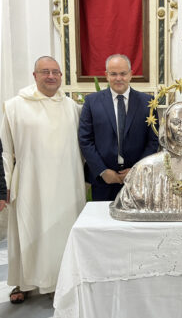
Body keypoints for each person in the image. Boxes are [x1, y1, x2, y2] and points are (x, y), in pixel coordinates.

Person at [0, 56, 86, 303]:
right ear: (34, 75)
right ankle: (23, 282)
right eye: (45, 72)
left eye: (56, 72)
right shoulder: (15, 106)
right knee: (28, 231)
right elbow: (5, 149)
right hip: (31, 183)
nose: (51, 76)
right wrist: (4, 184)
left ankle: (59, 281)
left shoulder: (71, 107)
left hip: (66, 183)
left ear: (61, 76)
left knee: (62, 233)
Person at [79, 54, 158, 201]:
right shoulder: (92, 102)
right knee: (102, 222)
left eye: (123, 73)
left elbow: (153, 141)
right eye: (113, 74)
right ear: (106, 75)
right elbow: (85, 139)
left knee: (135, 223)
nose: (118, 78)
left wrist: (137, 170)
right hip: (103, 180)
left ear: (130, 74)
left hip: (137, 180)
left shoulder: (148, 102)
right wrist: (102, 171)